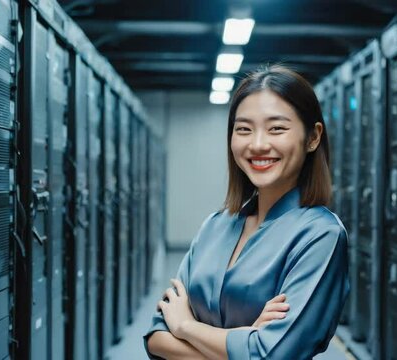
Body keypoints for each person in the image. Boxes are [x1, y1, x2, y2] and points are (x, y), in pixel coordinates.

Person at [143, 65, 350, 360]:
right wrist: (242, 342)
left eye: (277, 128)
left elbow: (270, 356)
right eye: (243, 129)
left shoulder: (321, 236)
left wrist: (186, 325)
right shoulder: (215, 225)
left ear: (313, 137)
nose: (257, 144)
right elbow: (156, 337)